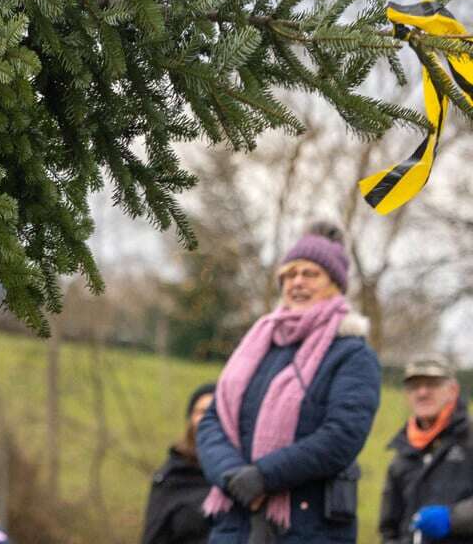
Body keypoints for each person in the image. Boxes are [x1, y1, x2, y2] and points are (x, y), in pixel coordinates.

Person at [196, 221, 381, 543]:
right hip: (235, 524)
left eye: (310, 274)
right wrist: (234, 479)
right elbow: (212, 420)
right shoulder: (256, 345)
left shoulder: (351, 354)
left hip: (308, 529)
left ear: (335, 285)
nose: (297, 282)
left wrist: (264, 477)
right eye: (289, 274)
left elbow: (342, 436)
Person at [380, 353, 473, 543]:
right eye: (414, 386)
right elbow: (389, 529)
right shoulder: (401, 454)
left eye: (432, 384)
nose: (422, 392)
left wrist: (453, 519)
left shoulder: (470, 438)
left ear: (453, 390)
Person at [140, 383, 216, 544]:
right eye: (202, 412)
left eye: (216, 412)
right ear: (190, 420)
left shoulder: (241, 477)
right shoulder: (171, 478)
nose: (208, 419)